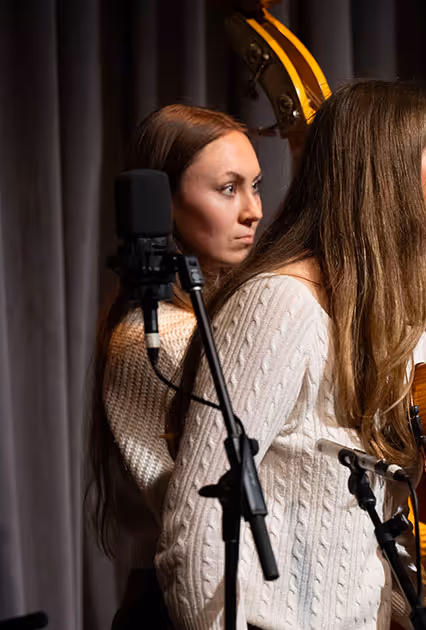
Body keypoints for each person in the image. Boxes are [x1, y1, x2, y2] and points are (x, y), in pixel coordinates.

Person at [157, 80, 426, 630]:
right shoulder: (279, 303)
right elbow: (199, 521)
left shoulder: (396, 327)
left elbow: (365, 541)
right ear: (389, 171)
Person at [88, 104, 263, 627]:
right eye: (228, 189)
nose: (253, 210)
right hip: (180, 608)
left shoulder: (209, 319)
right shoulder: (159, 337)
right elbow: (192, 509)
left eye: (256, 185)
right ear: (162, 204)